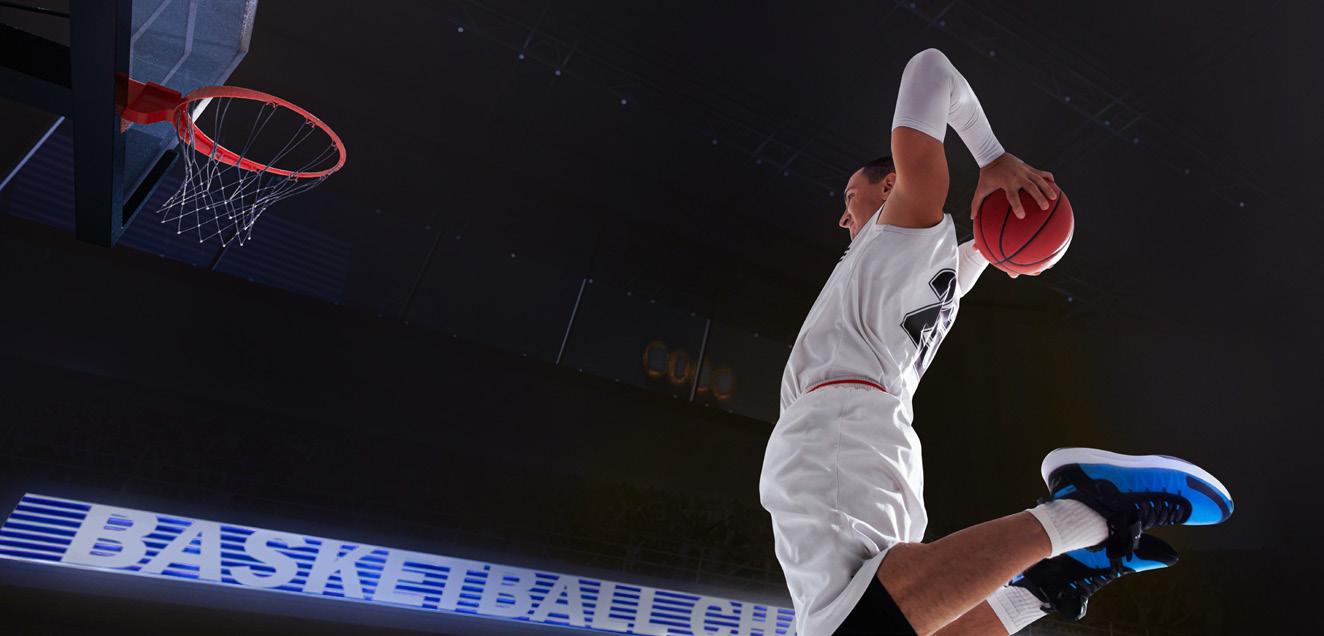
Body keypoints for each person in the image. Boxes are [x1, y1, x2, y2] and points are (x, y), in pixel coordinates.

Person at [758, 48, 1233, 636]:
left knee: (862, 624)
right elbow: (979, 253)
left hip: (838, 429)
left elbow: (929, 68)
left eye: (848, 196)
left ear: (891, 185)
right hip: (864, 431)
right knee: (898, 622)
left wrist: (992, 158)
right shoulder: (928, 270)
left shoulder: (904, 225)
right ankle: (1052, 581)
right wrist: (994, 234)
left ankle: (1090, 511)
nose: (843, 215)